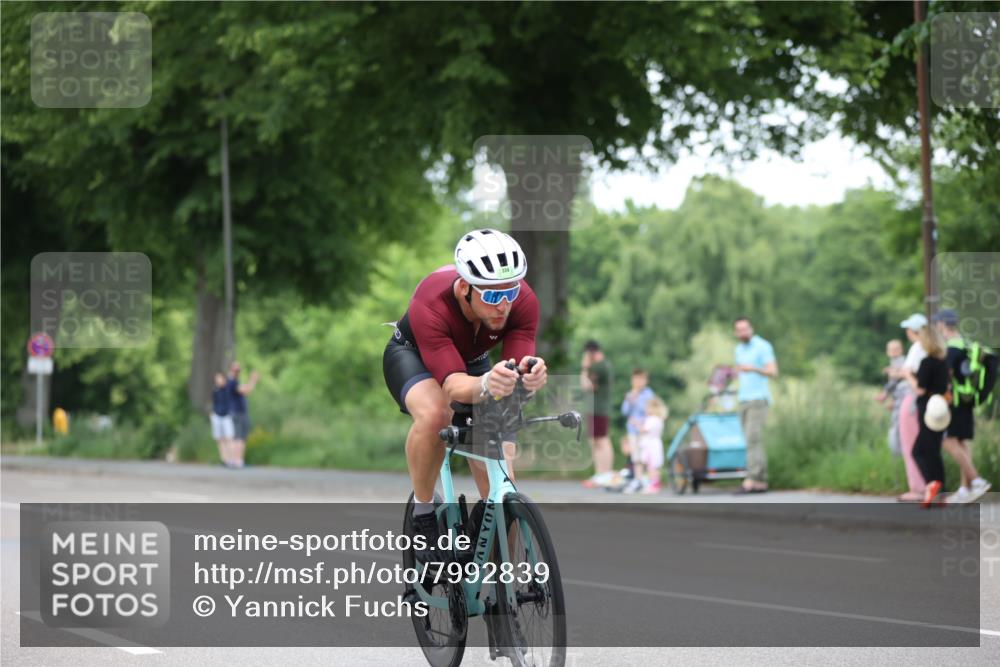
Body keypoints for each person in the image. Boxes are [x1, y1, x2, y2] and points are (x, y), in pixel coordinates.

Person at [382, 229, 546, 562]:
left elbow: (515, 366)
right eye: (490, 296)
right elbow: (454, 386)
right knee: (436, 414)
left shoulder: (522, 302)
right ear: (463, 288)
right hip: (414, 356)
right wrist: (487, 384)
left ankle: (502, 596)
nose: (503, 305)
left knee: (504, 488)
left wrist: (528, 376)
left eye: (510, 291)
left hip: (472, 362)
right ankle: (424, 514)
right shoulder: (432, 300)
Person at [933, 309, 992, 504]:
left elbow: (946, 376)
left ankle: (976, 481)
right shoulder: (966, 344)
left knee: (947, 441)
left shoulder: (951, 348)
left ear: (942, 324)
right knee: (962, 442)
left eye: (937, 324)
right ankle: (964, 489)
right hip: (967, 400)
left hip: (954, 401)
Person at [733, 317, 778, 494]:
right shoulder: (738, 349)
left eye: (745, 329)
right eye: (739, 330)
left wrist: (753, 368)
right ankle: (760, 482)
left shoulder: (762, 346)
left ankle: (751, 479)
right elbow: (741, 374)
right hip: (743, 398)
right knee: (751, 441)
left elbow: (773, 371)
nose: (743, 333)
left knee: (753, 438)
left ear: (751, 328)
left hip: (758, 399)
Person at [908, 324, 951, 508]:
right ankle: (941, 492)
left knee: (919, 451)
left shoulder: (927, 362)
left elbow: (920, 389)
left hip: (927, 409)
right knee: (933, 450)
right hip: (940, 410)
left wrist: (908, 375)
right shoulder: (943, 363)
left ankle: (932, 485)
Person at [897, 313, 928, 502]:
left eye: (908, 329)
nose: (907, 332)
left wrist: (901, 373)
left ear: (913, 331)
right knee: (923, 443)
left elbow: (908, 372)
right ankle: (927, 483)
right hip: (927, 401)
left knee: (910, 443)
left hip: (913, 398)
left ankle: (917, 487)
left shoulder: (917, 347)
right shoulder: (931, 347)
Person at [580, 340, 614, 488]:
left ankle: (605, 474)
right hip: (596, 409)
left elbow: (585, 385)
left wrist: (585, 366)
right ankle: (600, 473)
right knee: (595, 441)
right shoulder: (603, 365)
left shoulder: (599, 367)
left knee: (602, 440)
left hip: (599, 409)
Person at [620, 368, 655, 481]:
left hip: (644, 430)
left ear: (646, 380)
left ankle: (648, 480)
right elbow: (625, 411)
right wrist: (630, 399)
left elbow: (649, 410)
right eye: (636, 379)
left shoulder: (648, 394)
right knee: (636, 457)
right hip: (632, 430)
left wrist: (635, 400)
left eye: (641, 379)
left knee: (646, 457)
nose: (638, 382)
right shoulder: (631, 394)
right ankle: (638, 480)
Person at [874, 339, 906, 455]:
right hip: (898, 399)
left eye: (896, 349)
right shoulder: (894, 362)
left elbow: (895, 382)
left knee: (896, 430)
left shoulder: (900, 362)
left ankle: (898, 455)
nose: (894, 352)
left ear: (901, 350)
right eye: (891, 350)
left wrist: (884, 394)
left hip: (902, 400)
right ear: (887, 351)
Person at [631, 396, 668, 495]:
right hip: (653, 445)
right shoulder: (658, 419)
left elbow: (644, 430)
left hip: (651, 447)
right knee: (652, 466)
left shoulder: (652, 419)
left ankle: (654, 485)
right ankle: (653, 483)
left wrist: (636, 424)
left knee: (652, 467)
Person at [226, 361, 259, 469]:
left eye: (238, 370)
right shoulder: (232, 382)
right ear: (231, 370)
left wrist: (250, 383)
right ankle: (238, 460)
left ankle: (235, 460)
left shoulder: (233, 381)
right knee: (239, 437)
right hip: (238, 412)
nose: (238, 372)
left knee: (238, 437)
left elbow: (245, 390)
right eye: (236, 370)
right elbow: (246, 390)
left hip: (237, 412)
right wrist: (253, 381)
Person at [211, 372, 235, 467]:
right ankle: (224, 459)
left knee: (229, 438)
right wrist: (212, 412)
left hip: (226, 416)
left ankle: (232, 459)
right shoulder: (215, 389)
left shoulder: (228, 388)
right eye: (216, 378)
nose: (217, 380)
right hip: (217, 415)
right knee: (220, 439)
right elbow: (214, 402)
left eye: (219, 378)